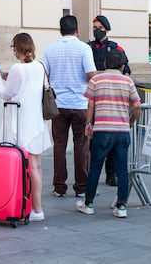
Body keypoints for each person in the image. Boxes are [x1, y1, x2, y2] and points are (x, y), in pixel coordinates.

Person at [0, 32, 52, 222]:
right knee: (36, 165)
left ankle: (31, 207)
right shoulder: (40, 66)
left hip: (20, 120)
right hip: (36, 121)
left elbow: (6, 94)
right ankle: (37, 208)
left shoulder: (18, 68)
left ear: (17, 49)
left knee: (24, 165)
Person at [76, 49, 141, 218]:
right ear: (122, 66)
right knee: (121, 169)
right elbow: (137, 105)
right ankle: (121, 207)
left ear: (104, 64)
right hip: (121, 131)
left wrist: (89, 123)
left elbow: (90, 104)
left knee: (95, 167)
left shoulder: (96, 79)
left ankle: (89, 203)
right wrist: (131, 121)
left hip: (102, 130)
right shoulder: (128, 81)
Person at [42, 15, 97, 198]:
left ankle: (59, 186)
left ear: (60, 30)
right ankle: (82, 187)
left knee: (59, 145)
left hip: (58, 105)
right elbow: (91, 74)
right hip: (80, 104)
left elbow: (45, 76)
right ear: (77, 30)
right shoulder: (84, 48)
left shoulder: (50, 49)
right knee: (81, 146)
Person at [88, 15, 131, 186]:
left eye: (99, 27)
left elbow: (126, 70)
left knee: (113, 140)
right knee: (94, 140)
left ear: (106, 29)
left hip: (112, 98)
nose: (96, 30)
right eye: (94, 27)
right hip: (95, 97)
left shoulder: (115, 48)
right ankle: (93, 174)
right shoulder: (87, 47)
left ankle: (111, 174)